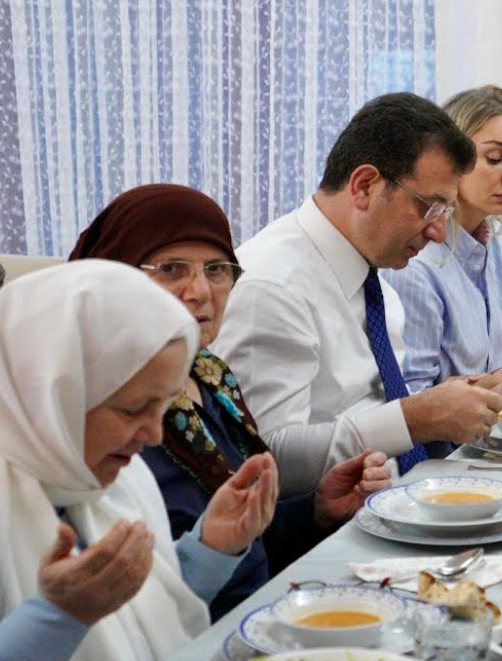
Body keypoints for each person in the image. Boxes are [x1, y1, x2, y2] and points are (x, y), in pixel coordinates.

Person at [68, 184, 394, 620]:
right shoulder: (96, 407)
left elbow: (243, 539)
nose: (199, 290)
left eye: (217, 268)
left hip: (263, 613)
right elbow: (115, 603)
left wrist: (316, 510)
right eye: (170, 269)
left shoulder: (212, 376)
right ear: (116, 276)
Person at [212, 93, 502, 496]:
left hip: (399, 499)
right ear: (365, 186)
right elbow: (263, 457)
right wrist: (415, 419)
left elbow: (378, 407)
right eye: (430, 208)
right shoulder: (275, 286)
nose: (438, 231)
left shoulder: (373, 277)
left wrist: (478, 397)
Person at [0, 261, 279, 661]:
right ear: (50, 397)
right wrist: (56, 617)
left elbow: (142, 619)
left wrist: (210, 547)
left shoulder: (119, 479)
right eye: (132, 410)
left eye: (164, 405)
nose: (154, 434)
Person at [384, 87, 502, 396]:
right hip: (451, 445)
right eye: (495, 158)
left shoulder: (499, 240)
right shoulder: (415, 263)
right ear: (449, 158)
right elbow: (412, 402)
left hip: (497, 429)